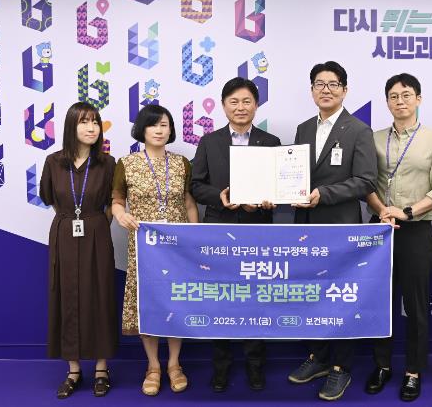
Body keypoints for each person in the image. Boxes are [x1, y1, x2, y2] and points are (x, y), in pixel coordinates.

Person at [287, 61, 377, 401]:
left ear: (345, 90)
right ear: (311, 90)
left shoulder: (359, 130)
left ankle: (341, 366)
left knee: (340, 296)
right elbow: (294, 175)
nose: (326, 90)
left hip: (341, 227)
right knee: (312, 294)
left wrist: (323, 194)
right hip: (306, 227)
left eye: (333, 84)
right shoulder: (303, 128)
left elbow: (365, 181)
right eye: (319, 84)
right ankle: (319, 356)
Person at [365, 73, 432, 402]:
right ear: (387, 102)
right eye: (393, 96)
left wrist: (407, 212)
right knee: (380, 303)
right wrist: (383, 210)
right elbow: (366, 182)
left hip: (415, 229)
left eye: (406, 95)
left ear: (418, 99)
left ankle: (413, 371)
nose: (399, 101)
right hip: (380, 228)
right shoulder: (374, 139)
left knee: (416, 306)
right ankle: (382, 365)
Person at [191, 77, 281, 392]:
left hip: (258, 230)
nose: (240, 107)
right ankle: (221, 367)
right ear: (223, 105)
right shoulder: (209, 142)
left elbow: (279, 186)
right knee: (221, 299)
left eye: (246, 101)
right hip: (220, 229)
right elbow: (196, 185)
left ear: (256, 105)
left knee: (256, 299)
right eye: (234, 102)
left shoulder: (271, 142)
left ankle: (256, 367)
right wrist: (219, 197)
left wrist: (269, 200)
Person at [112, 104, 199, 396]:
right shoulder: (126, 163)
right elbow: (117, 200)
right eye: (153, 125)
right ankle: (153, 366)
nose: (159, 130)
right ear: (142, 129)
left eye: (164, 125)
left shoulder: (182, 163)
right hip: (144, 247)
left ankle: (174, 364)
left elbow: (188, 202)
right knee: (147, 303)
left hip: (177, 248)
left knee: (175, 301)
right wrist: (120, 214)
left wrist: (194, 237)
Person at [40, 102, 117, 399]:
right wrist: (71, 219)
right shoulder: (53, 161)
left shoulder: (107, 163)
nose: (91, 128)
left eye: (95, 122)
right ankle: (73, 369)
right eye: (84, 122)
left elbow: (113, 203)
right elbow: (50, 198)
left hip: (96, 231)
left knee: (100, 294)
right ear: (71, 126)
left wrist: (96, 223)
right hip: (64, 233)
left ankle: (101, 368)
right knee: (65, 294)